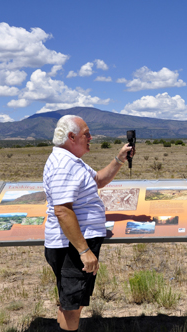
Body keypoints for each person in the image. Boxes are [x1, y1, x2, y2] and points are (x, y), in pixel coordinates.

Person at [43, 115, 134, 332]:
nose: (91, 137)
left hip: (74, 244)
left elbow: (99, 180)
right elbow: (62, 211)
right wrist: (83, 250)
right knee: (72, 305)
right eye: (87, 134)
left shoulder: (72, 161)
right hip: (72, 248)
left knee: (71, 301)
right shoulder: (64, 165)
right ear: (72, 137)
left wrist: (119, 158)